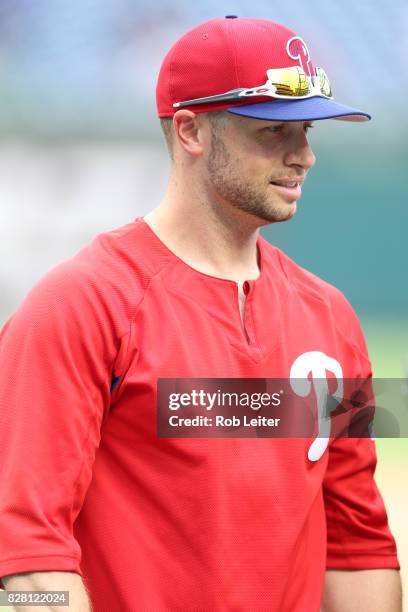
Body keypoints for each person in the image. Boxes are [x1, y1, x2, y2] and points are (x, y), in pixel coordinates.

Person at [0, 16, 403, 612]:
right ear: (190, 130)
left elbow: (357, 545)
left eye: (308, 129)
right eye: (274, 132)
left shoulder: (333, 318)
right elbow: (27, 557)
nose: (305, 156)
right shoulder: (79, 303)